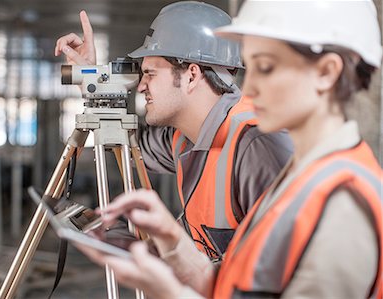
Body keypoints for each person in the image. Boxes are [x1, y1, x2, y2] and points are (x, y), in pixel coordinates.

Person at [75, 1, 383, 298]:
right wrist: (173, 244)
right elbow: (244, 285)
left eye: (266, 67)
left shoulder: (341, 205)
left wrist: (171, 292)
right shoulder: (303, 176)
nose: (247, 90)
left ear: (326, 72)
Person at [55, 1, 292, 259]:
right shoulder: (183, 136)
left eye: (150, 74)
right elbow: (124, 141)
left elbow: (285, 274)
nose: (141, 86)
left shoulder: (257, 145)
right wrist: (94, 83)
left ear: (191, 75)